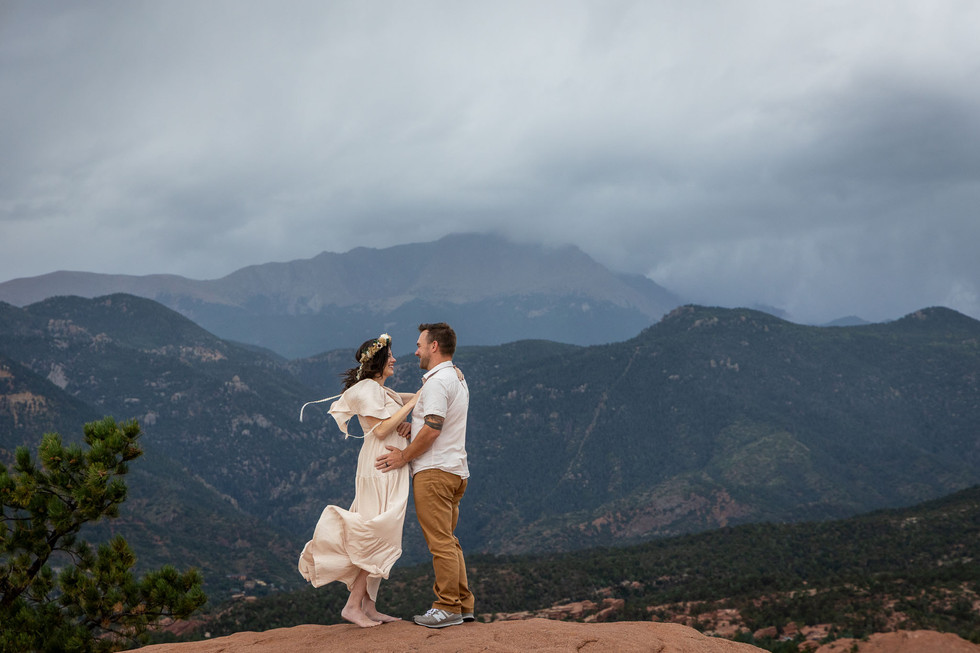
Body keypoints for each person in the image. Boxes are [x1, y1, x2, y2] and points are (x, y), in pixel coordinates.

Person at [297, 333, 418, 628]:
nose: (394, 359)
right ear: (377, 361)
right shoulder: (366, 389)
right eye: (389, 355)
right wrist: (415, 402)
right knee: (379, 532)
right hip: (380, 466)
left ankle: (369, 606)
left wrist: (414, 407)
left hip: (390, 466)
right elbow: (379, 430)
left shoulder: (381, 390)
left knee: (382, 530)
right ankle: (353, 606)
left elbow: (403, 402)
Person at [375, 322, 474, 628]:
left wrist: (403, 456)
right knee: (450, 540)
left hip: (434, 472)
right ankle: (463, 603)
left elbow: (433, 428)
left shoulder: (435, 383)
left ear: (434, 346)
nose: (415, 350)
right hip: (456, 471)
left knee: (440, 544)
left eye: (419, 344)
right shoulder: (457, 377)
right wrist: (413, 427)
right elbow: (432, 423)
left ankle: (446, 607)